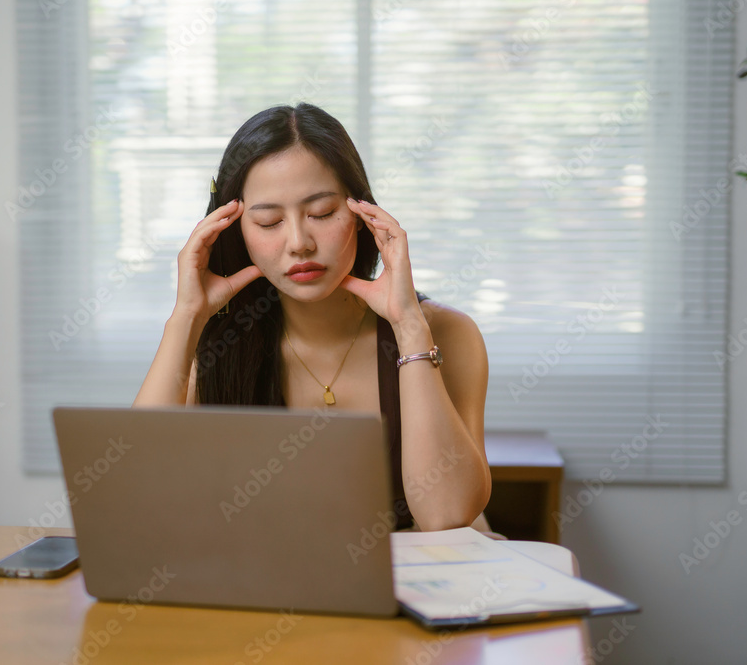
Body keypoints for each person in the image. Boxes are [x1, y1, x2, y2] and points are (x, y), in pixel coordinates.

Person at [133, 102, 490, 532]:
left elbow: (446, 515)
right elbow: (138, 497)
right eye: (268, 222)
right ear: (235, 230)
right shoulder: (214, 345)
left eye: (321, 213)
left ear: (362, 215)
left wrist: (409, 327)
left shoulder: (448, 332)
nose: (299, 242)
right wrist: (186, 317)